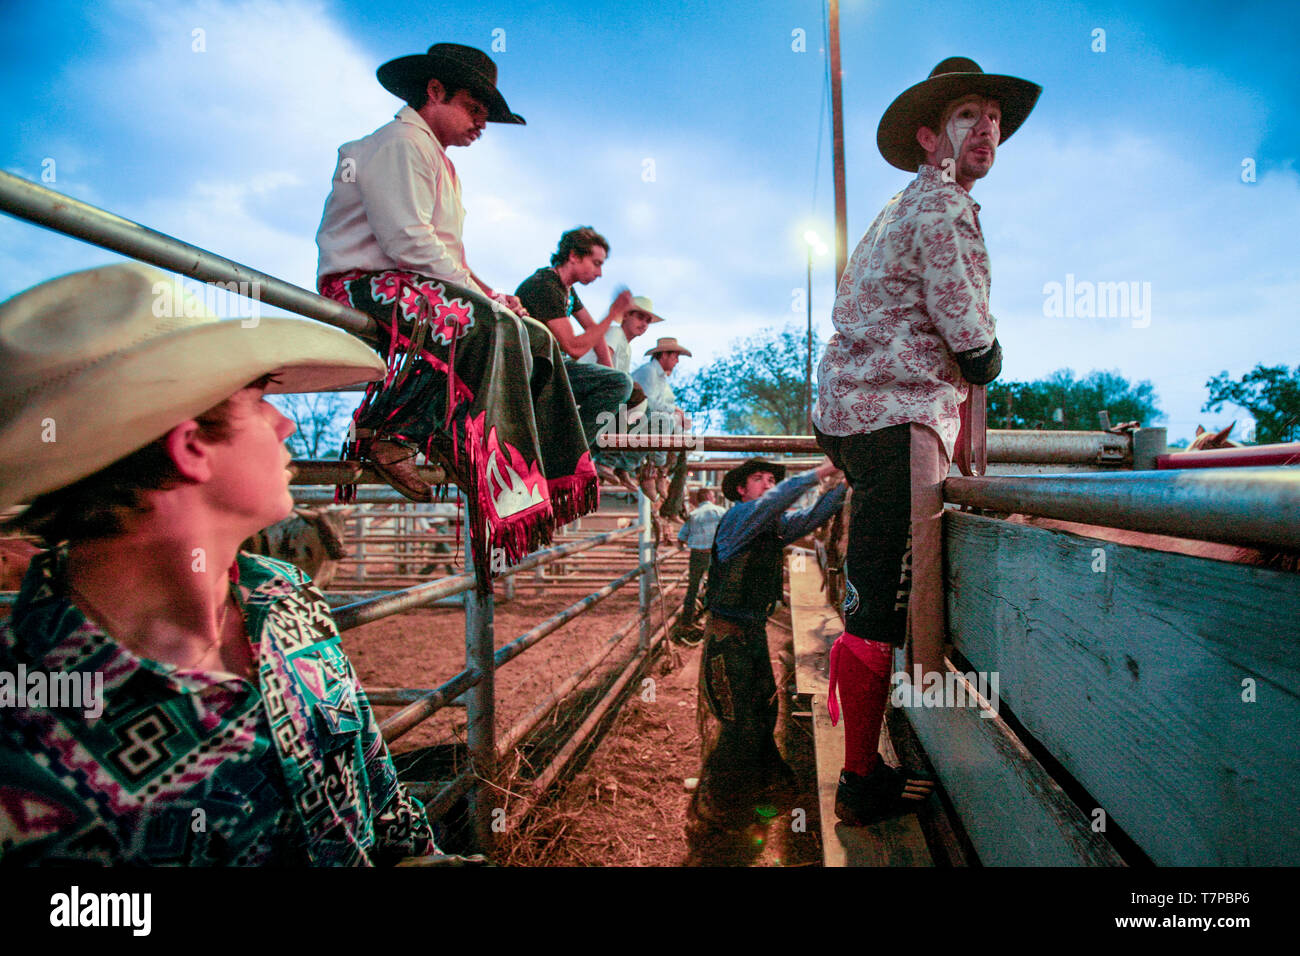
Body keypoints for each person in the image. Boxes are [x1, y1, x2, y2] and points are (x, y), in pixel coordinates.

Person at [0, 263, 441, 865]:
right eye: (259, 401)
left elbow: (393, 832)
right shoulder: (25, 746)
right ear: (191, 448)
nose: (284, 421)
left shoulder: (285, 596)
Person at [813, 57, 1040, 826]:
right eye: (969, 115)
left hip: (856, 417)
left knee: (869, 588)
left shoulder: (895, 210)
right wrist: (989, 357)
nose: (987, 129)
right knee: (884, 597)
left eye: (996, 119)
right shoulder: (942, 205)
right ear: (928, 137)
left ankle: (858, 763)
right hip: (898, 419)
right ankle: (857, 782)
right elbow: (970, 337)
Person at [315, 42, 598, 581]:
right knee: (491, 324)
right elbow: (407, 241)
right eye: (475, 109)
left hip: (410, 282)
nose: (482, 123)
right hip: (362, 284)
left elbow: (443, 254)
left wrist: (492, 293)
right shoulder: (398, 143)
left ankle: (541, 471)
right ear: (436, 92)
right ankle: (410, 433)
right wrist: (487, 301)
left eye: (485, 116)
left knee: (532, 335)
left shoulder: (432, 157)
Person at [690, 457, 846, 833]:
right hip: (728, 639)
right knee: (737, 719)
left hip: (751, 634)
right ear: (741, 490)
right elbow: (776, 502)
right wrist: (823, 471)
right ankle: (722, 802)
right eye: (759, 478)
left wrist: (847, 483)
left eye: (772, 478)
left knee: (763, 712)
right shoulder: (741, 516)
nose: (768, 483)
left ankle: (753, 791)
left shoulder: (772, 526)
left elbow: (815, 514)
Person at [514, 228, 634, 458]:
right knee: (620, 385)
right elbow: (574, 347)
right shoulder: (545, 286)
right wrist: (612, 314)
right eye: (596, 263)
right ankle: (569, 452)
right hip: (535, 371)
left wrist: (606, 369)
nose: (599, 273)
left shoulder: (566, 289)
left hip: (552, 366)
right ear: (574, 257)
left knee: (623, 390)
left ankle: (577, 446)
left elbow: (592, 331)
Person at [632, 337, 693, 515]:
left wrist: (677, 414)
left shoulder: (658, 376)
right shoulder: (649, 372)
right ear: (664, 355)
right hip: (636, 417)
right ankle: (655, 471)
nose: (677, 361)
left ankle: (662, 472)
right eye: (675, 357)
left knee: (679, 433)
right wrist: (674, 410)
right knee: (666, 422)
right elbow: (648, 402)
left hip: (645, 418)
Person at [673, 487, 726, 643]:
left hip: (697, 554)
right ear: (710, 497)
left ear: (699, 499)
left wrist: (681, 545)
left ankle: (687, 621)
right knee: (717, 585)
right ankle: (714, 619)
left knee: (693, 587)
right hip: (715, 553)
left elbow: (681, 536)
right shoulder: (721, 511)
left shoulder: (694, 515)